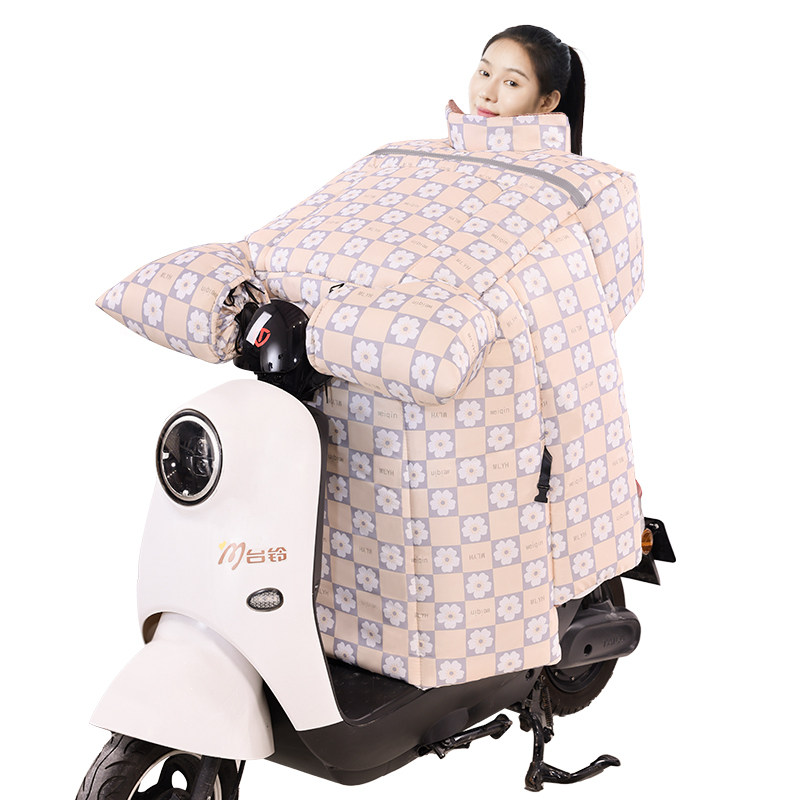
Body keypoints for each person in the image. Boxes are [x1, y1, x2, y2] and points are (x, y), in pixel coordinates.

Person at [468, 25, 585, 154]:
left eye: (511, 83)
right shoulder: (450, 151)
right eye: (485, 73)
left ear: (547, 102)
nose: (486, 93)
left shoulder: (552, 166)